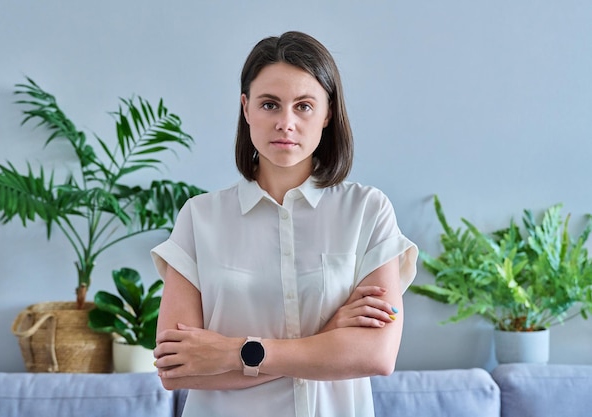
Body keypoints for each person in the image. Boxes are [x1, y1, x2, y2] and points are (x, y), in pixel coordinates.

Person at [151, 31, 418, 417]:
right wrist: (325, 342)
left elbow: (376, 354)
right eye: (270, 104)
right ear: (246, 108)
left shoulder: (368, 211)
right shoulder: (199, 218)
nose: (286, 123)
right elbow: (177, 369)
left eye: (304, 106)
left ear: (328, 112)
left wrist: (231, 353)